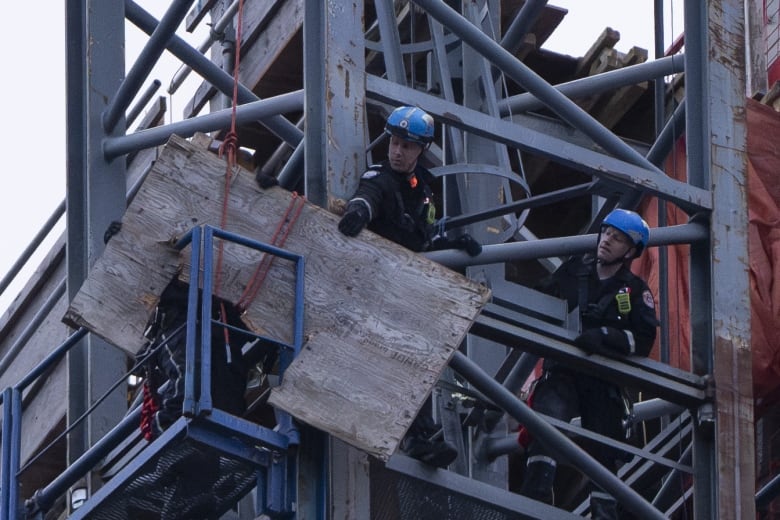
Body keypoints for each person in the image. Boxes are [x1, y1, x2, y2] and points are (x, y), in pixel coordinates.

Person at [338, 105, 482, 468]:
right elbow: (368, 195)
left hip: (405, 290)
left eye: (407, 146)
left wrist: (454, 245)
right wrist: (357, 214)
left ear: (421, 150)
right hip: (374, 287)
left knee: (413, 361)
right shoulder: (383, 177)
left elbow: (424, 234)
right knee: (395, 360)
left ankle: (423, 435)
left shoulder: (424, 188)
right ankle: (420, 436)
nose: (397, 151)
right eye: (395, 143)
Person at [517, 209, 658, 520]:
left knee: (605, 446)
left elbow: (643, 340)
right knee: (547, 424)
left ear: (631, 251)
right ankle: (534, 501)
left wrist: (606, 336)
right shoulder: (574, 272)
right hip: (564, 370)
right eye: (606, 233)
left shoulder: (634, 292)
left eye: (617, 238)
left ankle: (604, 513)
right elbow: (543, 299)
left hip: (603, 379)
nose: (607, 240)